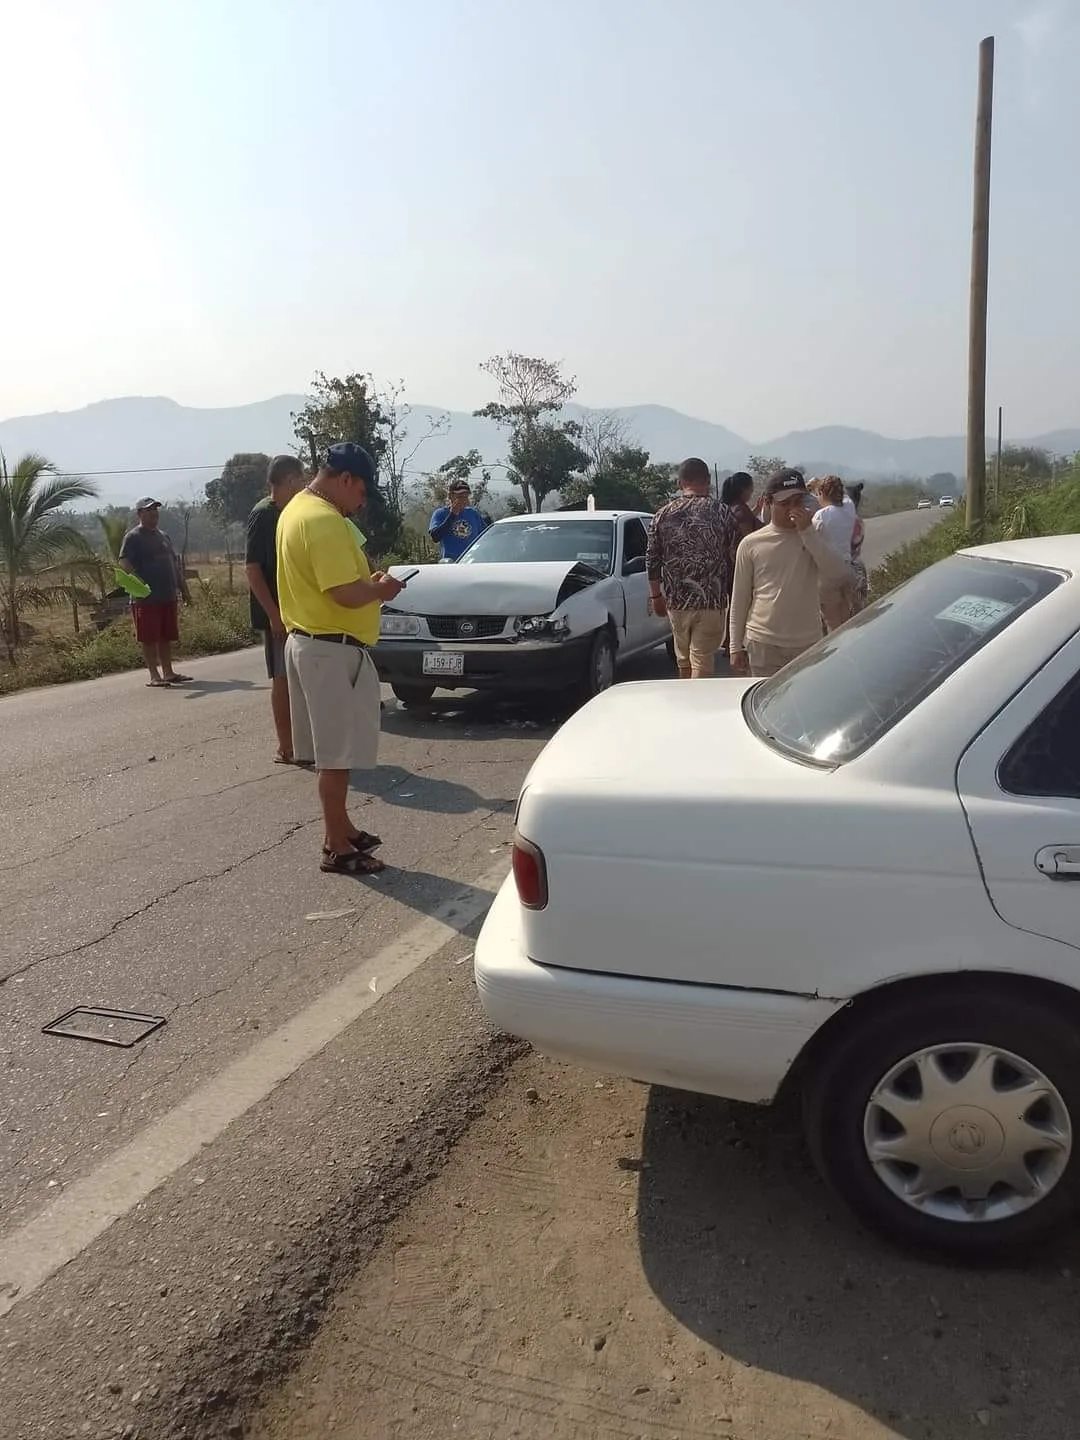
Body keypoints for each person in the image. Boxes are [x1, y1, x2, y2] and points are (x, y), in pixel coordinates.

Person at [277, 442, 406, 875]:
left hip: (310, 642)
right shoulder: (324, 520)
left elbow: (329, 583)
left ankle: (343, 826)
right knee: (336, 756)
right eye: (362, 491)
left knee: (335, 752)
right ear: (346, 479)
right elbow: (343, 593)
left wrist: (365, 585)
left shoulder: (296, 508)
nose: (362, 501)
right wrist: (380, 590)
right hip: (331, 650)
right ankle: (336, 845)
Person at [729, 470, 852, 678]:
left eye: (797, 502)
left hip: (807, 644)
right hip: (764, 644)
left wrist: (807, 533)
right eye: (785, 504)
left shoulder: (814, 535)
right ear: (768, 502)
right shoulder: (751, 544)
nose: (792, 510)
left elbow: (838, 573)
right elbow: (740, 598)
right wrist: (735, 646)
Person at [646, 457, 738, 679]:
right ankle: (697, 705)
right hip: (711, 600)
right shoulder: (723, 512)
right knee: (703, 659)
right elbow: (735, 555)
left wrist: (656, 596)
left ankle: (686, 702)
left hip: (676, 602)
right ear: (708, 481)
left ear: (680, 483)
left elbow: (652, 558)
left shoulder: (662, 514)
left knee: (684, 660)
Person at [245, 454, 305, 762]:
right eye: (301, 480)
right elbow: (252, 569)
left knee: (299, 679)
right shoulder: (264, 515)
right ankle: (286, 746)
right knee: (282, 679)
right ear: (290, 480)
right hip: (278, 614)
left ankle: (304, 742)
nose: (304, 486)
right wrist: (273, 614)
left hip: (298, 610)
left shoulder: (292, 512)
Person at [118, 498, 192, 687]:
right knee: (149, 637)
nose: (154, 514)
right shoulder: (133, 537)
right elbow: (124, 562)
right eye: (149, 511)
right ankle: (154, 676)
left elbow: (174, 565)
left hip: (167, 595)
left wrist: (184, 590)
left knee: (165, 636)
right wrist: (137, 582)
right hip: (146, 599)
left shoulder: (163, 536)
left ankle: (168, 672)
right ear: (139, 514)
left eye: (156, 511)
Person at [809, 475, 857, 632]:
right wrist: (820, 486)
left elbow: (810, 540)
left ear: (822, 493)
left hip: (827, 574)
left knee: (833, 624)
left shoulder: (821, 516)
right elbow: (845, 498)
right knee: (847, 619)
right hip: (847, 568)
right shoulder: (849, 508)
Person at [429, 480, 489, 561]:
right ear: (450, 496)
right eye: (460, 496)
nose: (463, 500)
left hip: (473, 562)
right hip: (452, 563)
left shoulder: (473, 513)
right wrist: (452, 515)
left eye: (466, 496)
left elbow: (485, 536)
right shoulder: (440, 513)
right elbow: (435, 537)